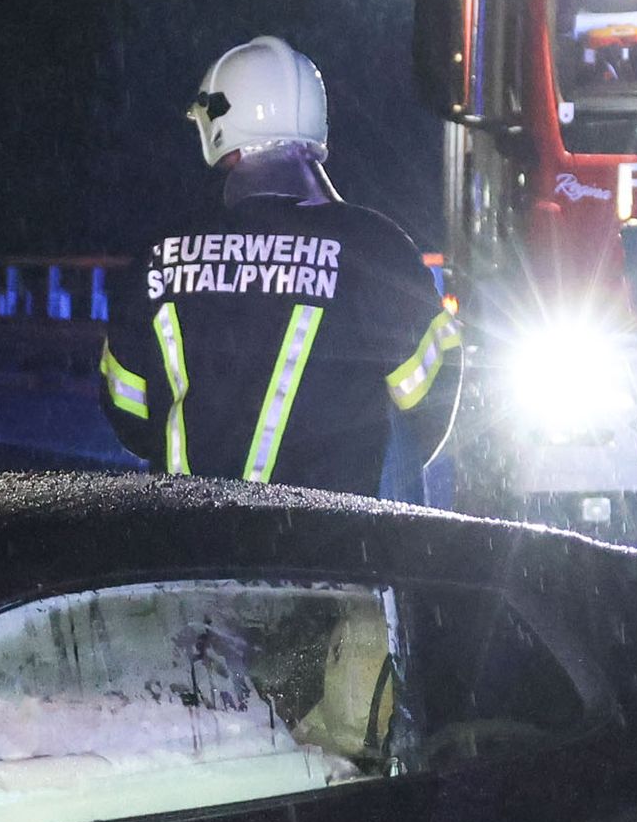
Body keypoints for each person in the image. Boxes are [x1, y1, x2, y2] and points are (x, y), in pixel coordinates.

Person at [96, 38, 462, 500]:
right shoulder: (376, 247)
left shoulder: (159, 252)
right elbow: (432, 407)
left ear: (221, 135)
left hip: (186, 548)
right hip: (330, 552)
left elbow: (128, 413)